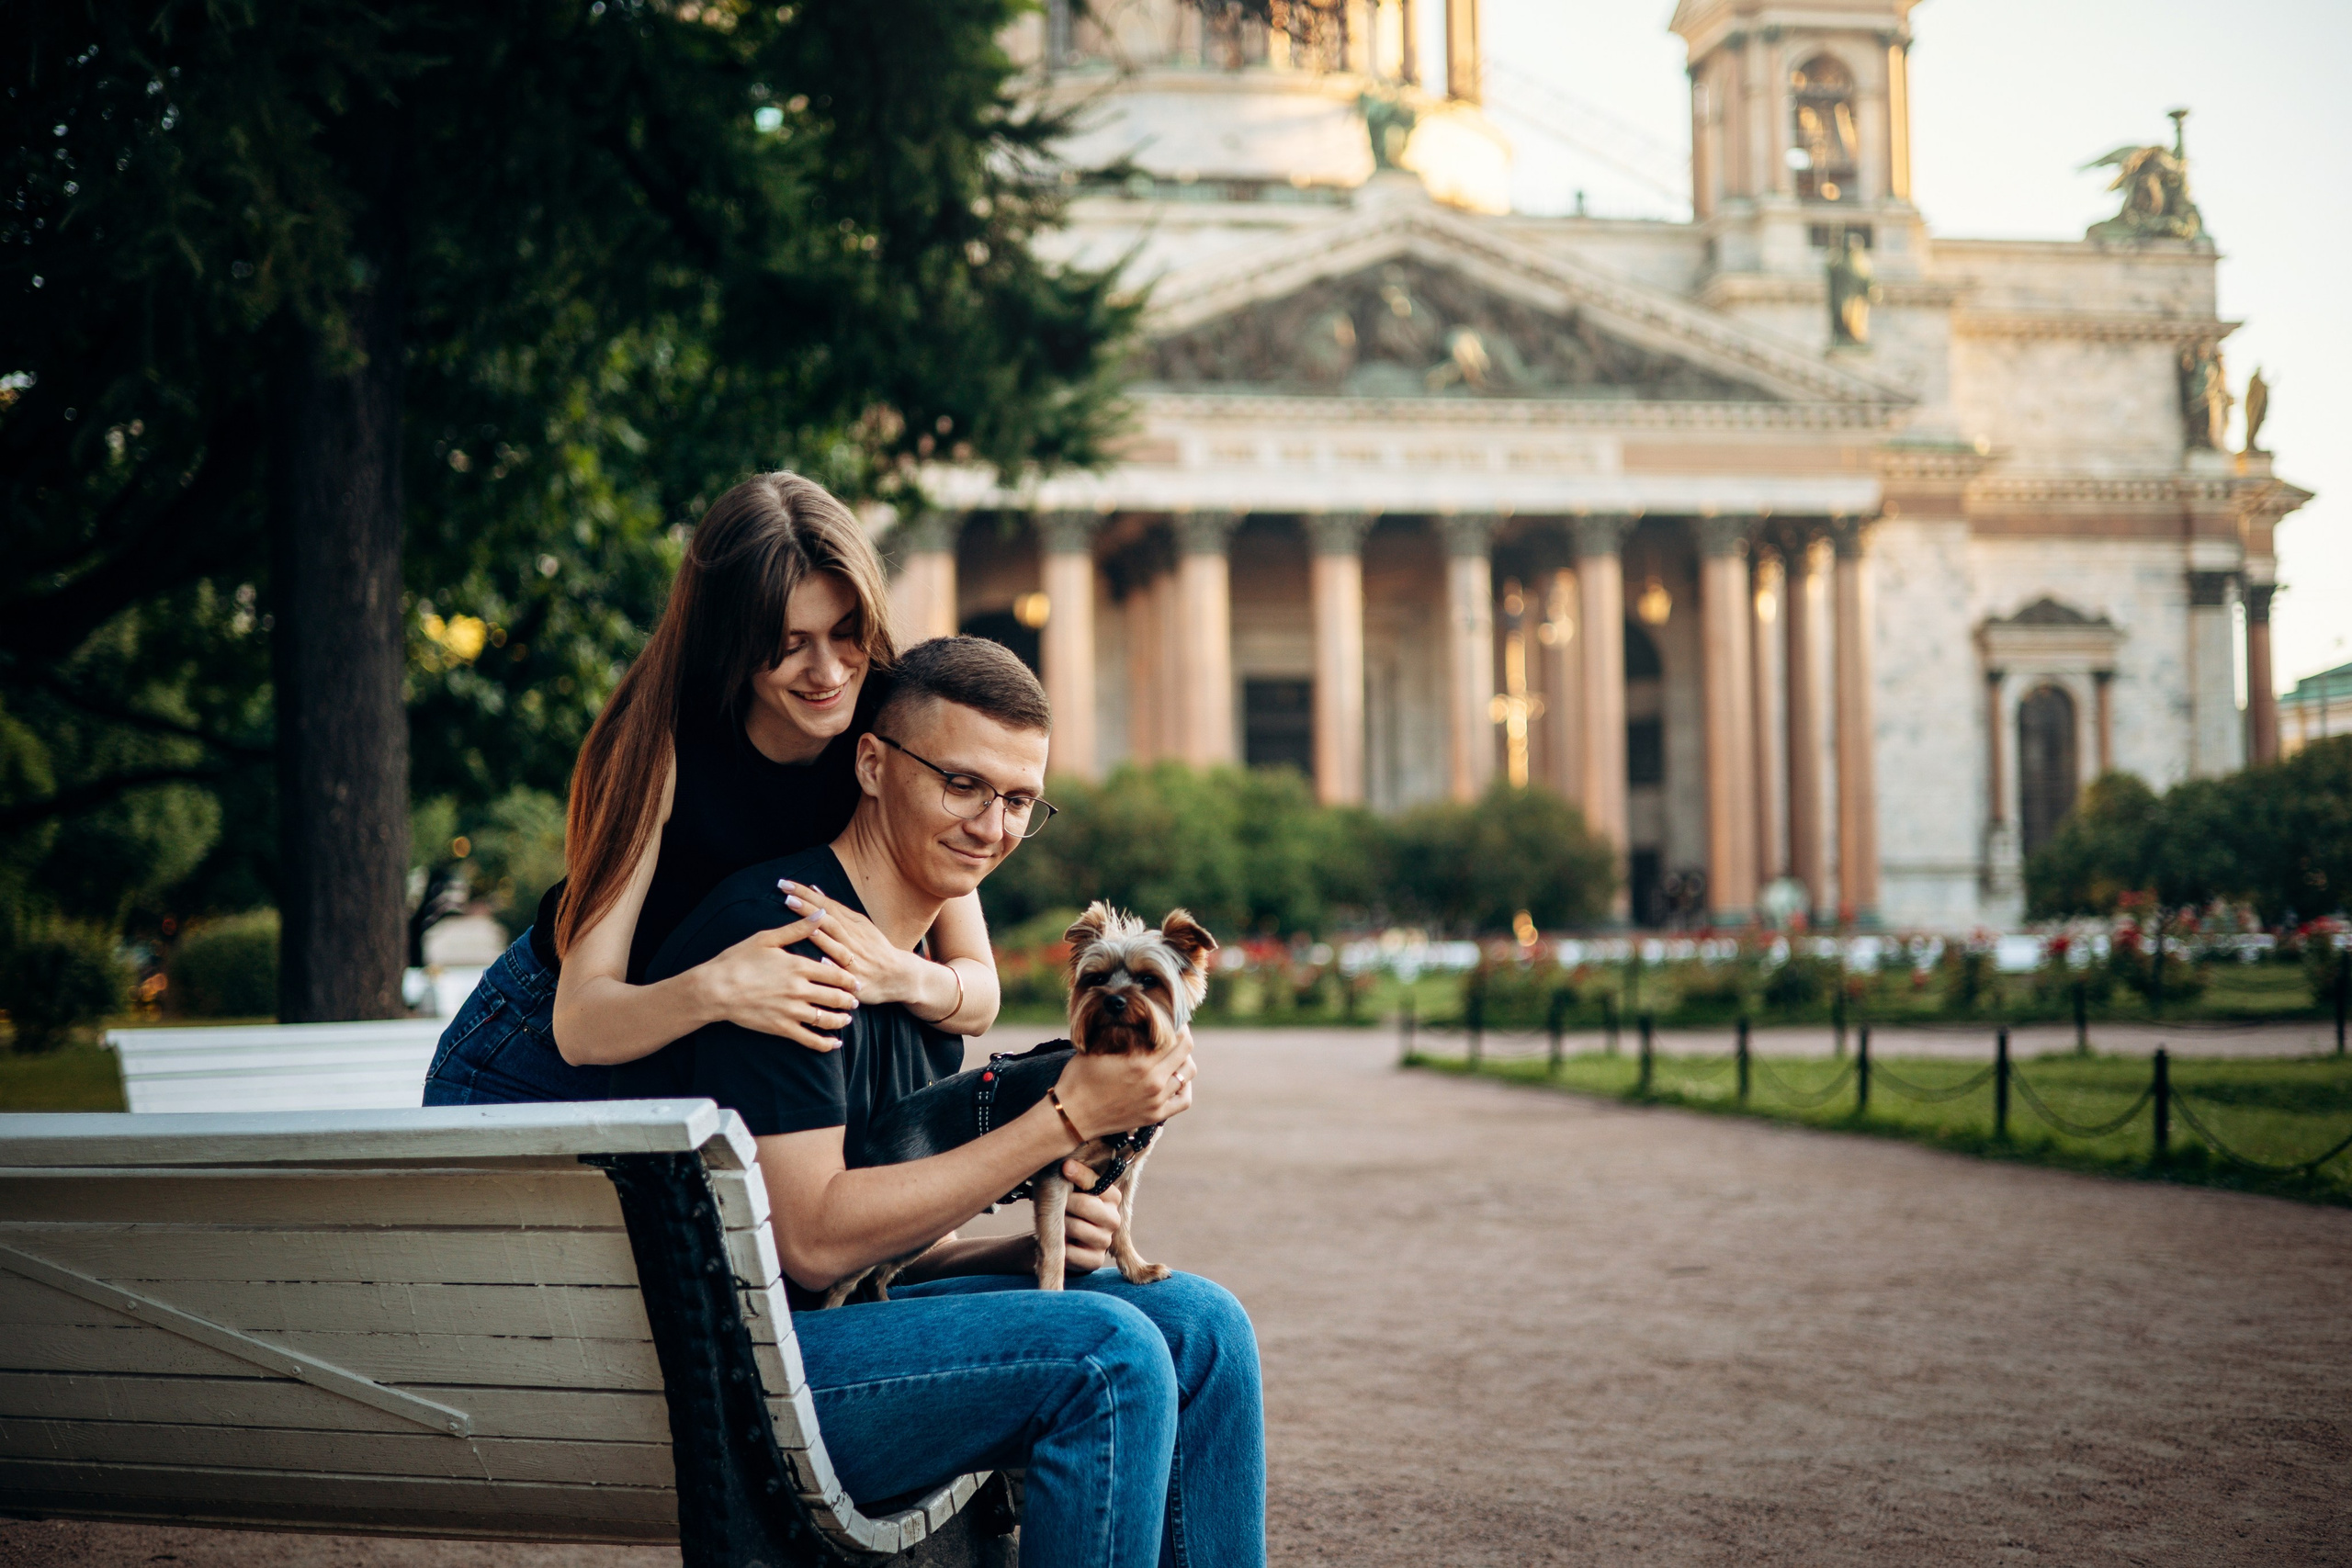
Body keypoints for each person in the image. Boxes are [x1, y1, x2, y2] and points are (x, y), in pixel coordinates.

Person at [618, 637, 1266, 1568]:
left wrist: (1017, 1248)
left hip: (837, 1333)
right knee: (1108, 1355)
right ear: (874, 764)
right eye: (962, 784)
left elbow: (892, 1249)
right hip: (754, 1379)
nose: (992, 826)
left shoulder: (917, 979)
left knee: (1203, 1326)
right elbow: (815, 1241)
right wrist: (1068, 1117)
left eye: (1016, 801)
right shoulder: (790, 941)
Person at [424, 472, 1001, 1106]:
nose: (829, 671)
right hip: (533, 1065)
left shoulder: (891, 727)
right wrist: (720, 988)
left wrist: (904, 975)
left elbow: (977, 989)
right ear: (733, 640)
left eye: (844, 632)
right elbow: (580, 1023)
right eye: (790, 644)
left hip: (703, 1076)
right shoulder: (657, 743)